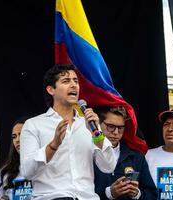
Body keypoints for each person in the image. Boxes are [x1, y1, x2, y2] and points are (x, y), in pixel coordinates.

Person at [20, 64, 116, 200]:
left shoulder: (89, 124)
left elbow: (108, 166)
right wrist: (53, 145)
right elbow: (27, 171)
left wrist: (97, 135)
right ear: (51, 90)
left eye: (75, 81)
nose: (73, 85)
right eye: (66, 81)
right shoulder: (34, 125)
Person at [94, 106, 157, 200]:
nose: (116, 132)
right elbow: (78, 193)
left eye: (120, 128)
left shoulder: (136, 156)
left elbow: (152, 195)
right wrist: (109, 193)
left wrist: (137, 194)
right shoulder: (87, 153)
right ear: (98, 124)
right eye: (110, 126)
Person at [0, 116, 32, 200]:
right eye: (14, 137)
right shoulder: (5, 171)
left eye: (22, 134)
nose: (17, 140)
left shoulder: (46, 165)